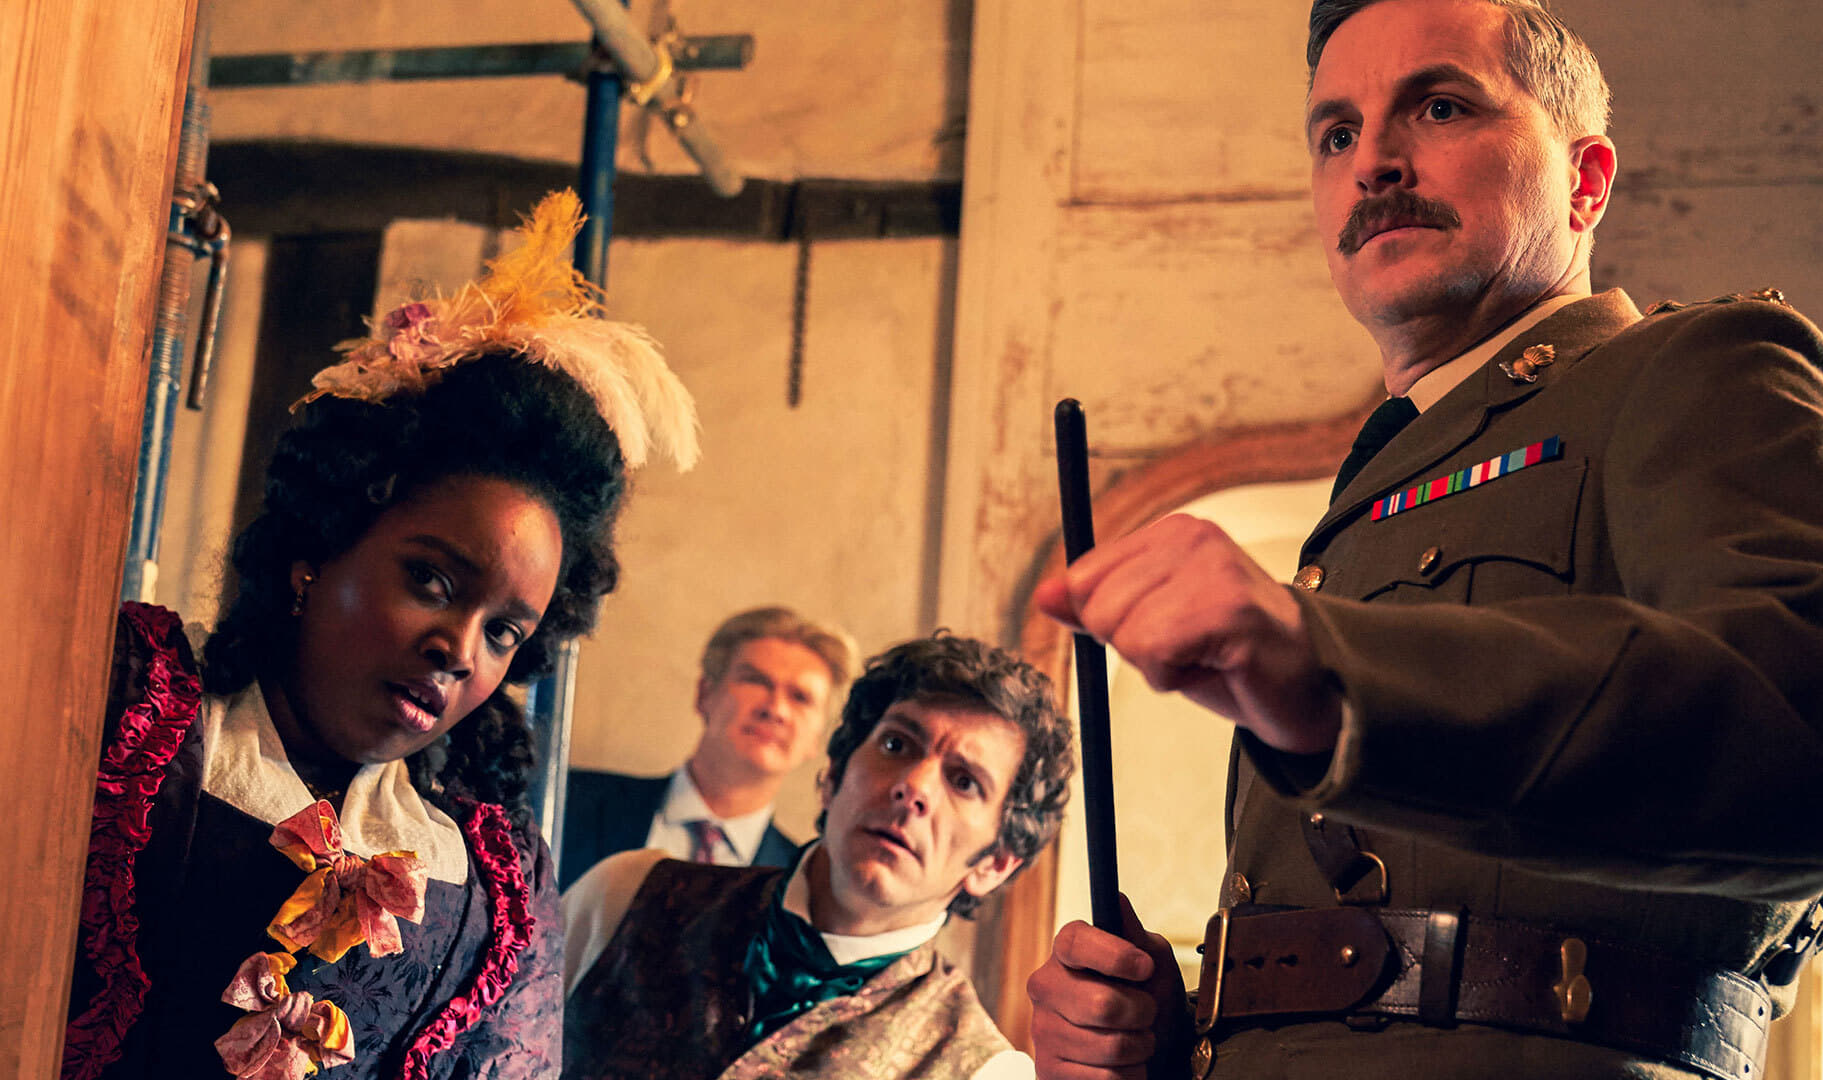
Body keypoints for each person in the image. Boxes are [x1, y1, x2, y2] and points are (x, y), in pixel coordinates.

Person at [1025, 1, 1823, 1078]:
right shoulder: (1367, 498)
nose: (1373, 163)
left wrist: (1333, 672)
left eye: (1440, 106)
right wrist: (1172, 1040)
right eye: (1336, 134)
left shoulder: (1702, 369)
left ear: (1585, 181)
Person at [61, 190, 699, 1080]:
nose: (460, 651)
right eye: (431, 580)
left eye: (504, 631)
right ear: (318, 548)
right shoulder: (129, 705)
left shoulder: (493, 881)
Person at [561, 634, 1076, 1079]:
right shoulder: (625, 893)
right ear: (832, 775)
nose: (914, 787)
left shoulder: (983, 1070)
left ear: (995, 863)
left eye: (964, 782)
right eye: (896, 745)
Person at [560, 606, 857, 889]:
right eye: (756, 681)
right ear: (705, 694)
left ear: (819, 738)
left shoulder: (806, 885)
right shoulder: (566, 799)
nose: (776, 709)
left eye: (800, 697)